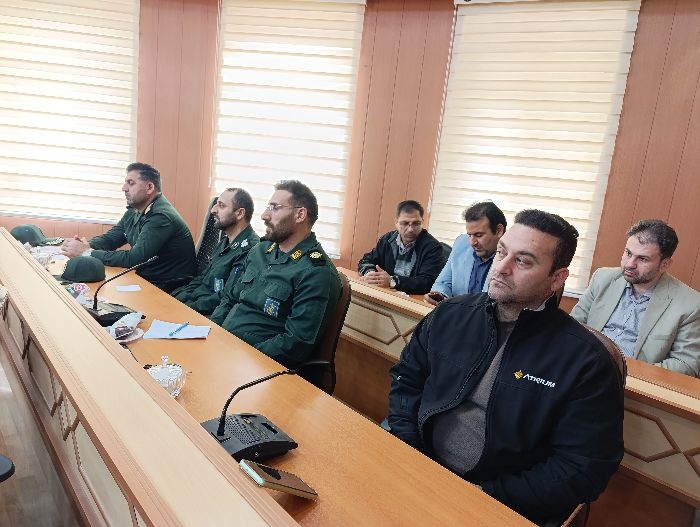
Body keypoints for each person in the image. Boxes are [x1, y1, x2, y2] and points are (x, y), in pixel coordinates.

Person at [387, 209, 623, 526]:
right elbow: (407, 381)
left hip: (499, 501)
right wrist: (410, 451)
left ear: (556, 279)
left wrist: (486, 495)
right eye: (502, 252)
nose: (501, 267)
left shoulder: (586, 361)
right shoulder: (450, 314)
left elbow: (582, 467)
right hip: (419, 465)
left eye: (522, 261)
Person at [210, 180, 341, 368]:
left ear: (300, 214)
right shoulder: (260, 251)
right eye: (267, 207)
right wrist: (212, 332)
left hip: (257, 365)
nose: (264, 215)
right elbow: (229, 299)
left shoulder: (316, 272)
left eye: (275, 208)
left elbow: (295, 344)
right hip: (223, 346)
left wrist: (242, 357)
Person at [571, 219, 700, 377]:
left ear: (665, 264)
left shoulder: (690, 304)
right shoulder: (602, 278)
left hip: (630, 381)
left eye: (643, 259)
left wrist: (624, 371)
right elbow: (573, 326)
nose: (630, 264)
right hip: (581, 367)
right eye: (628, 253)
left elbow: (686, 364)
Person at [61, 163, 196, 293]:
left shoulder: (161, 217)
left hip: (168, 286)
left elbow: (134, 259)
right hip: (146, 278)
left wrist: (87, 252)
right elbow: (111, 239)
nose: (124, 188)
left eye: (131, 183)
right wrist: (86, 245)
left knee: (99, 296)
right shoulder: (134, 210)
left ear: (149, 187)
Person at [171, 188, 259, 316]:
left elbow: (227, 296)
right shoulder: (224, 242)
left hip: (209, 314)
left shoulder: (250, 249)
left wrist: (189, 307)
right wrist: (180, 297)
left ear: (240, 213)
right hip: (194, 305)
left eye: (221, 206)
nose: (213, 210)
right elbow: (202, 277)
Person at [424, 201, 506, 305]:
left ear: (498, 230)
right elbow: (443, 283)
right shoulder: (461, 243)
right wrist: (440, 295)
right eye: (469, 235)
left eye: (479, 235)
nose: (472, 242)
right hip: (457, 312)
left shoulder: (512, 259)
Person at [358, 200, 445, 294]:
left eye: (416, 223)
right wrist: (371, 274)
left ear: (422, 222)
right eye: (405, 223)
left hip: (412, 299)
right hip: (386, 293)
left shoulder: (433, 247)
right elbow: (366, 260)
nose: (410, 229)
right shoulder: (387, 239)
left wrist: (392, 281)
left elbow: (428, 282)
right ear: (396, 222)